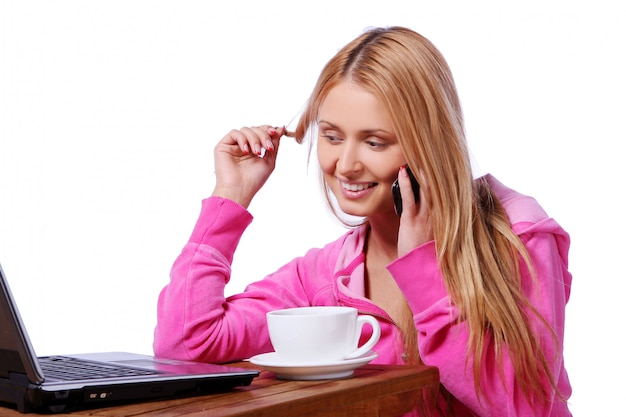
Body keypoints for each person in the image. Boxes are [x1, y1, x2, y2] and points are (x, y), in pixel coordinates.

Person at [153, 26, 572, 416]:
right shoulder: (328, 276)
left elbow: (525, 406)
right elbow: (186, 344)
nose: (346, 165)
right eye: (333, 137)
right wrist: (230, 197)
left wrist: (423, 267)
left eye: (374, 142)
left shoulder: (516, 235)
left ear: (429, 143)